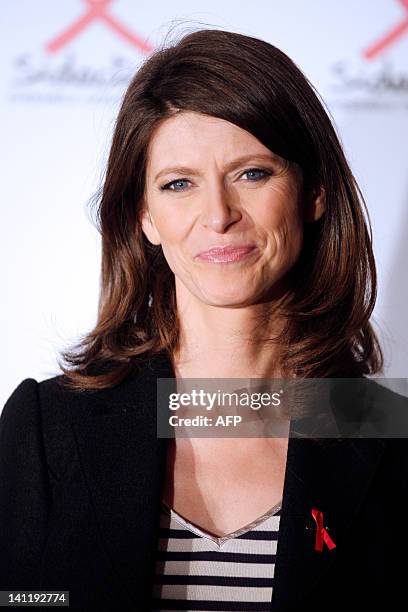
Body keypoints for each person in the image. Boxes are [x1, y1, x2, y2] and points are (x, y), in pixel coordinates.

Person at [1, 28, 407, 612]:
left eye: (252, 173)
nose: (217, 215)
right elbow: (23, 601)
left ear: (314, 191)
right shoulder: (49, 425)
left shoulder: (387, 428)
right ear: (144, 216)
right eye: (179, 184)